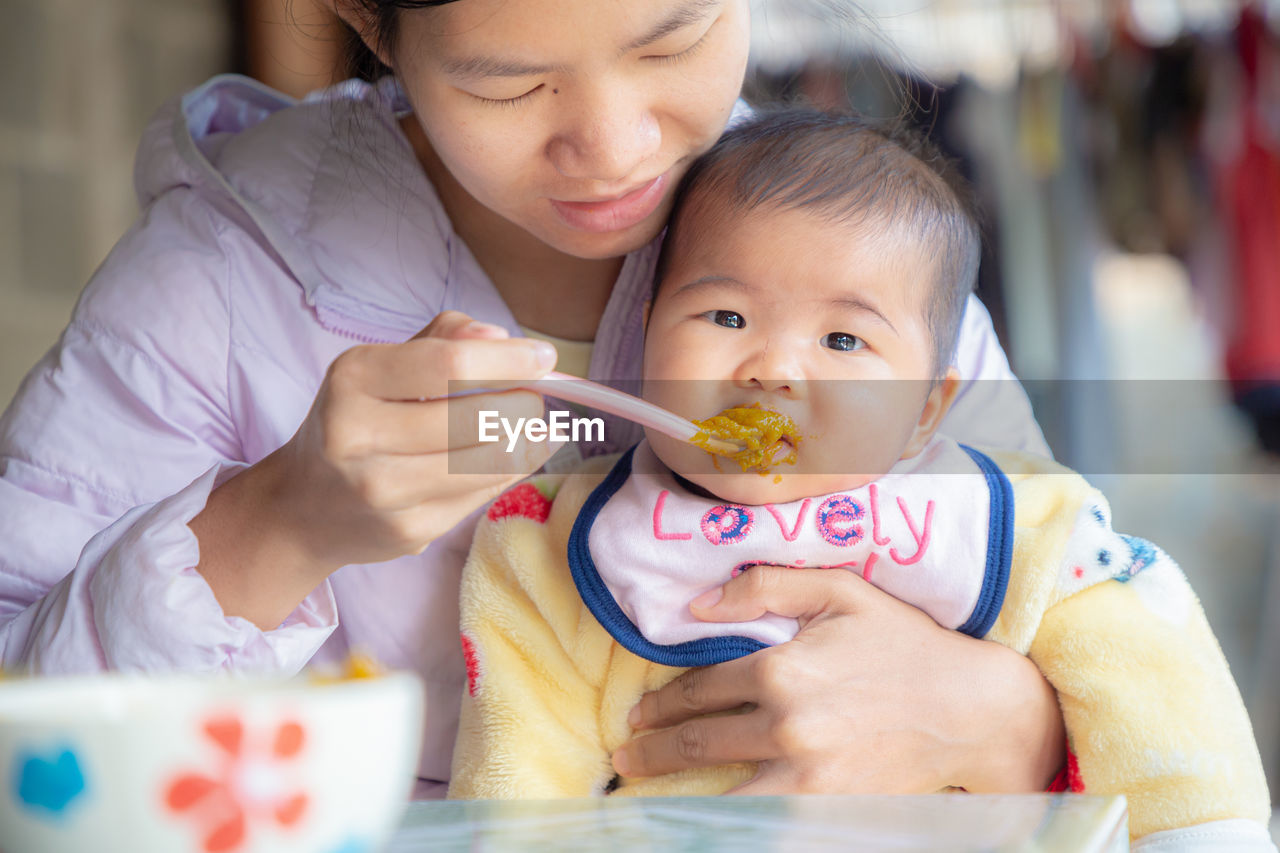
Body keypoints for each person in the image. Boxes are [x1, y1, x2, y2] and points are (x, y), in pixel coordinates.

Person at [0, 0, 1063, 797]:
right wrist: (275, 524)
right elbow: (29, 757)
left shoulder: (857, 256)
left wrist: (1008, 723)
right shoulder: (213, 291)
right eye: (506, 84)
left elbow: (1087, 603)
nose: (613, 148)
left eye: (671, 39)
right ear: (371, 23)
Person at [448, 109, 1274, 848]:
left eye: (843, 342)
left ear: (926, 408)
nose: (772, 369)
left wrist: (1198, 828)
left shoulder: (1011, 520)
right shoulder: (559, 544)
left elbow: (1146, 665)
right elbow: (517, 777)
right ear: (645, 336)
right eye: (726, 317)